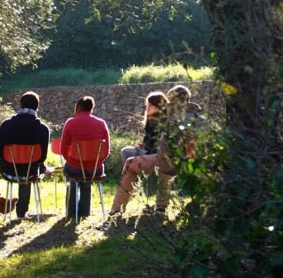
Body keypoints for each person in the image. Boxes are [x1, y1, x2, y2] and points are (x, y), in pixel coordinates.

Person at [109, 84, 202, 216]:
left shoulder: (174, 118)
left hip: (171, 162)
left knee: (131, 163)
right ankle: (160, 209)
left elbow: (165, 150)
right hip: (191, 164)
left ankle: (116, 211)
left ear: (174, 100)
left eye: (169, 101)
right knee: (162, 166)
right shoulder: (196, 117)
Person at [0, 91, 53, 219]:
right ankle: (22, 212)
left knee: (25, 169)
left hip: (8, 171)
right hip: (30, 172)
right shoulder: (43, 129)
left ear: (20, 105)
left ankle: (18, 211)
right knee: (28, 172)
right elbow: (42, 157)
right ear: (37, 107)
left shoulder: (6, 125)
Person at [60, 96, 110, 219]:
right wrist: (96, 162)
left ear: (78, 107)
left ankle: (71, 212)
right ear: (91, 109)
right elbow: (106, 150)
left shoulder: (70, 123)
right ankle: (84, 212)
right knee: (87, 178)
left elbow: (63, 149)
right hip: (95, 169)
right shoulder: (101, 123)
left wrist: (71, 161)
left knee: (71, 174)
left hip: (75, 167)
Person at [120, 92, 169, 166]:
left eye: (150, 105)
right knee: (126, 151)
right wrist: (143, 145)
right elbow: (149, 139)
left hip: (154, 155)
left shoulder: (161, 122)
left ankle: (130, 175)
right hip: (148, 151)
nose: (147, 107)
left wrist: (145, 148)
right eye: (147, 105)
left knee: (125, 152)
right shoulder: (151, 119)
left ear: (158, 106)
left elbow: (157, 144)